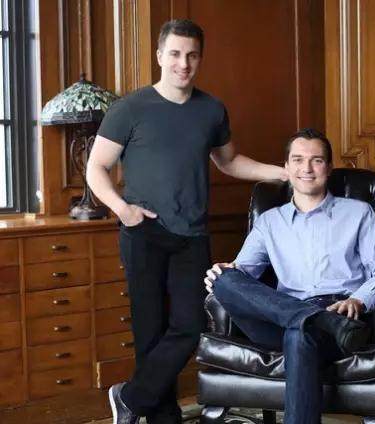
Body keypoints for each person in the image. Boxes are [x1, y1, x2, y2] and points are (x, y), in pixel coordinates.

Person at [86, 19, 286, 424]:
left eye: (192, 55)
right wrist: (123, 209)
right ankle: (163, 417)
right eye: (175, 54)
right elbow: (96, 167)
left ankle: (130, 397)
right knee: (150, 332)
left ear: (200, 59)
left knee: (191, 325)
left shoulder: (211, 109)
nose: (184, 63)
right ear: (160, 56)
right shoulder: (130, 108)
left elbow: (229, 161)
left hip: (192, 235)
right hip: (143, 231)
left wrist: (283, 173)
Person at [204, 128, 375, 424]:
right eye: (298, 160)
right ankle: (318, 319)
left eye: (317, 160)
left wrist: (359, 300)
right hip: (281, 318)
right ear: (287, 167)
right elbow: (243, 272)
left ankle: (319, 320)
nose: (307, 168)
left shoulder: (358, 213)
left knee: (299, 333)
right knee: (224, 279)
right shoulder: (270, 222)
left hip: (338, 310)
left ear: (329, 167)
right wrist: (224, 273)